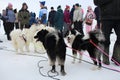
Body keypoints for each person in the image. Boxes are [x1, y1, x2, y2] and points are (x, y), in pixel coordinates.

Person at [94, 0, 120, 65]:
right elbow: (96, 2)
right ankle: (105, 57)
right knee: (105, 39)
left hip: (119, 18)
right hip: (106, 18)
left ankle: (116, 57)